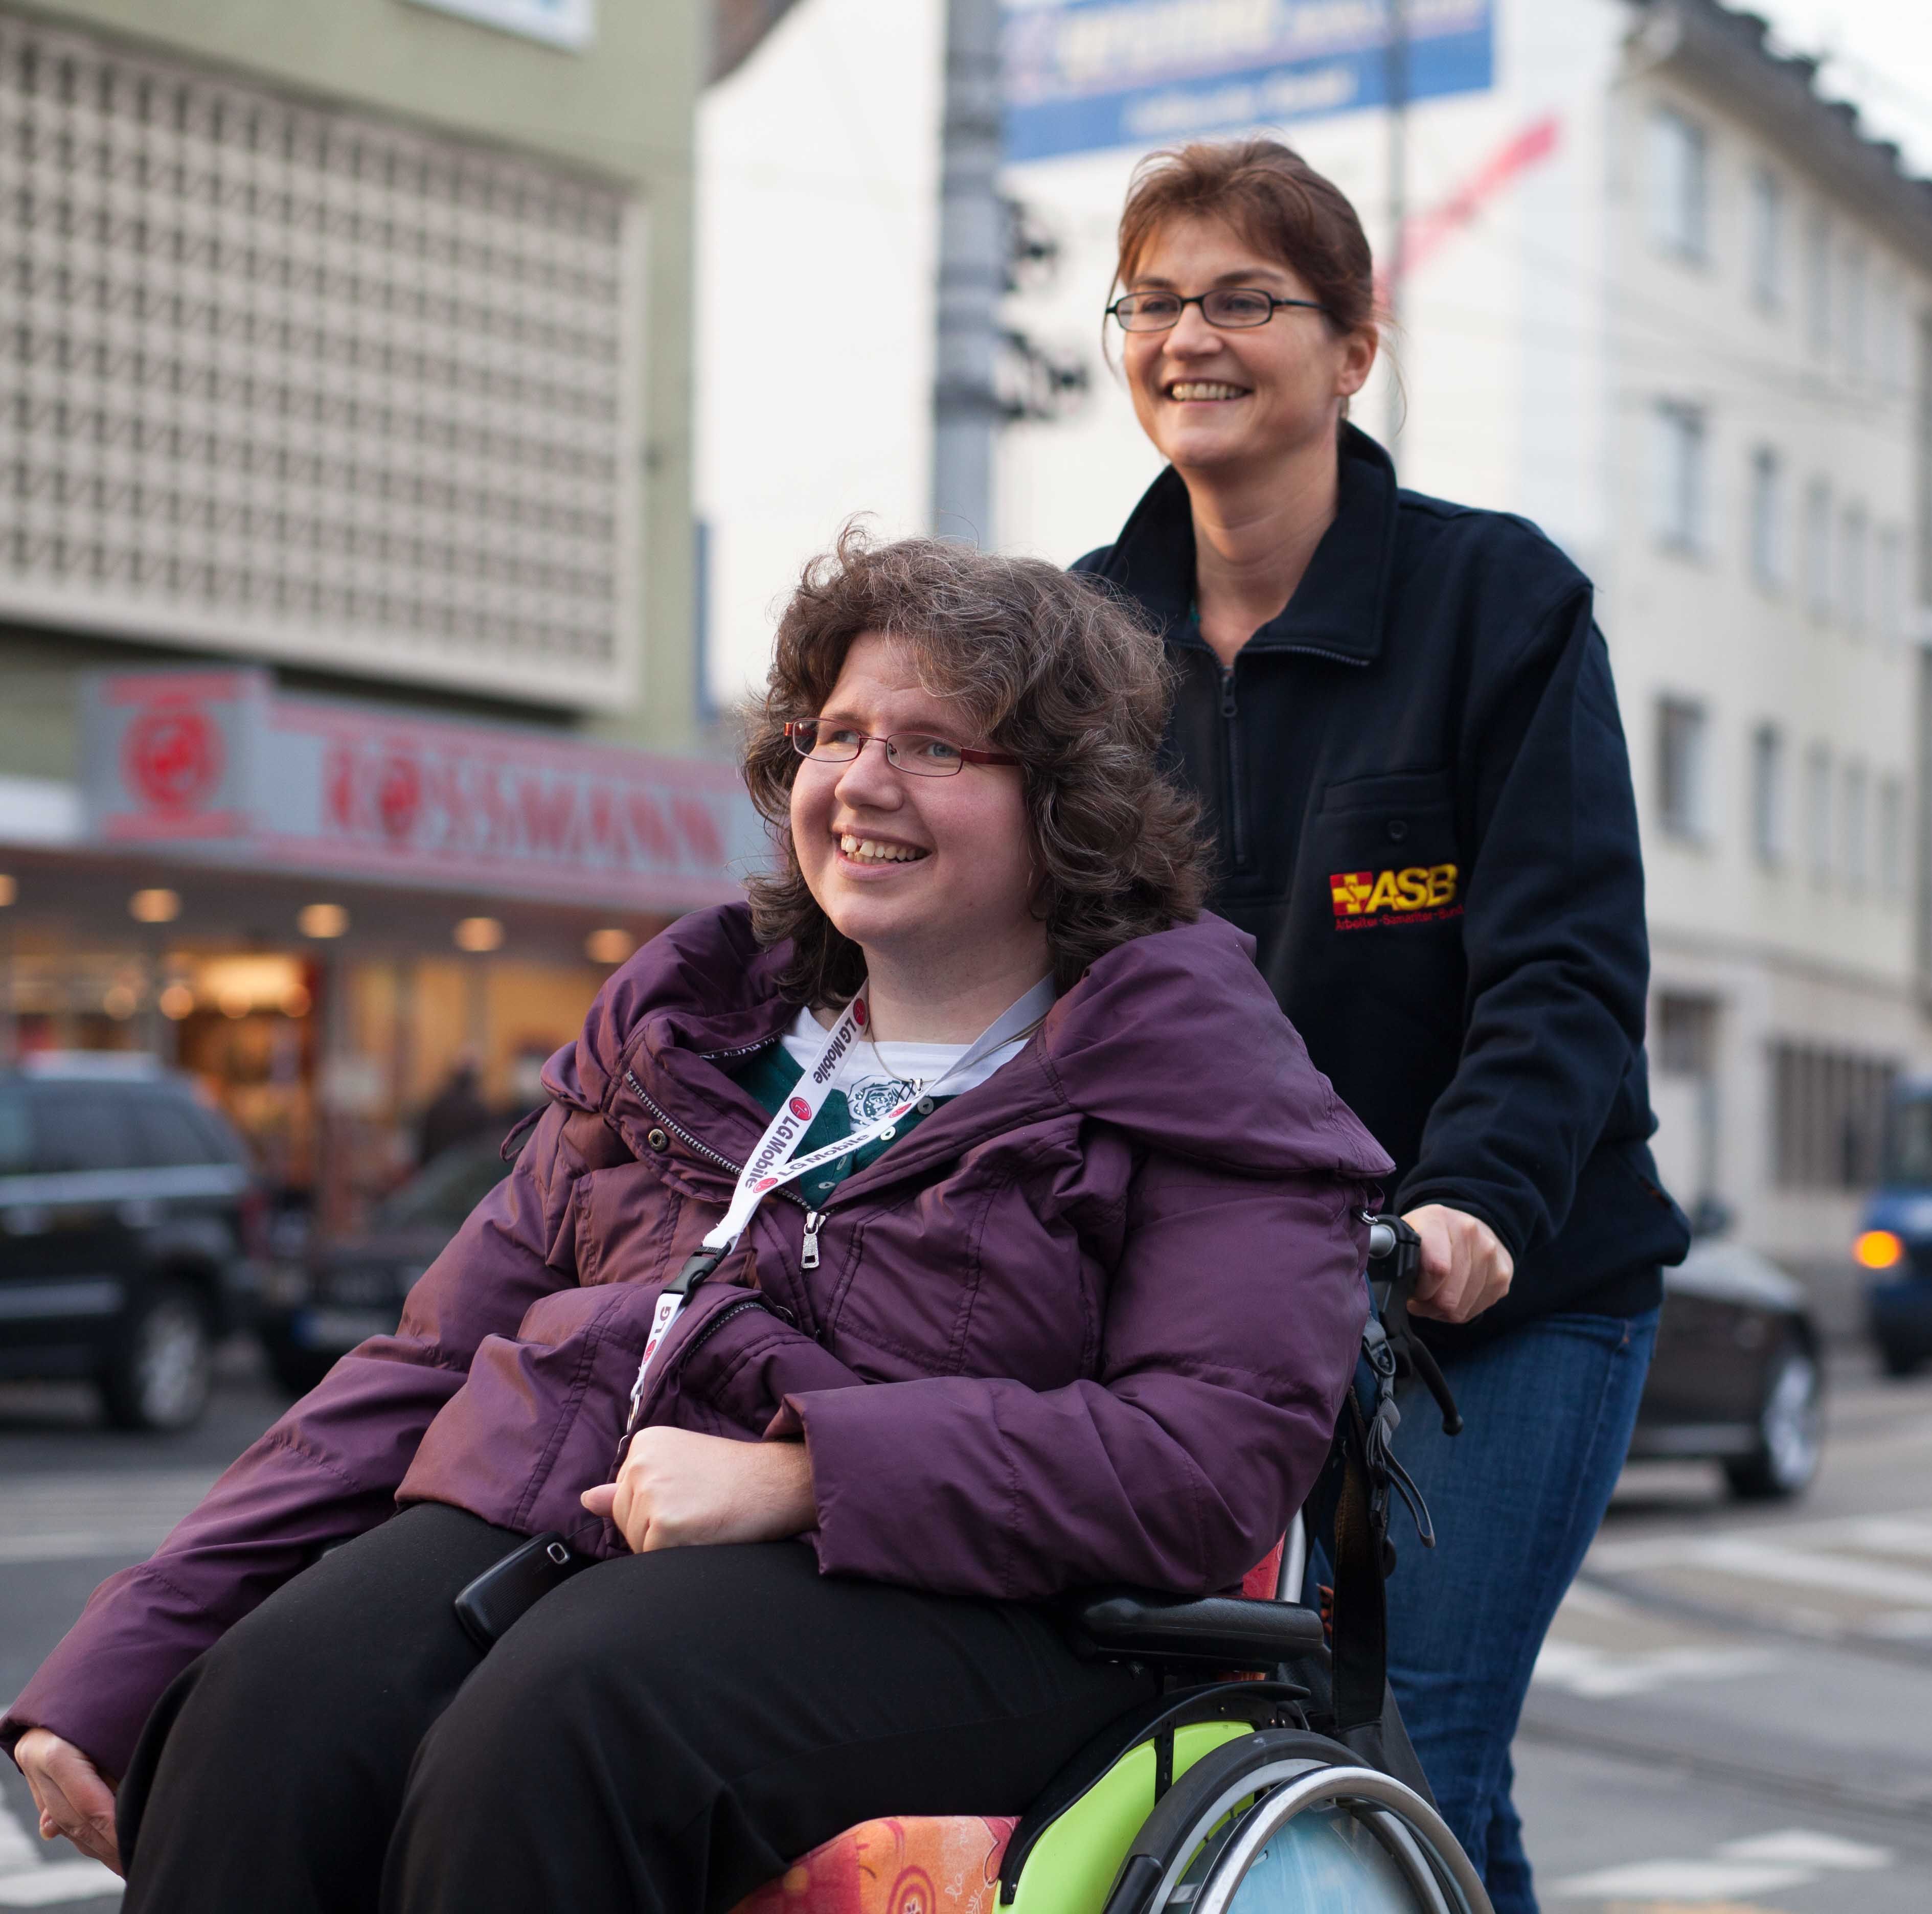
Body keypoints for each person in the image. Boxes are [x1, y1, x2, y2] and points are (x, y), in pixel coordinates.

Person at [4, 537, 1388, 1913]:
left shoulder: (1195, 1069)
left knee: (560, 1732)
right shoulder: (698, 1031)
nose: (861, 785)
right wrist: (131, 1651)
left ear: (1065, 803)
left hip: (1011, 1603)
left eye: (934, 747)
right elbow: (425, 1368)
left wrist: (811, 1479)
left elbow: (1210, 1464)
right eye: (835, 734)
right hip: (605, 1522)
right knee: (268, 1708)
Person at [1077, 139, 1689, 1914]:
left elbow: (1566, 972)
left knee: (1411, 1728)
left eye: (1246, 299)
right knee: (1272, 1757)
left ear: (1353, 349)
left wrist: (1477, 1206)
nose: (1192, 336)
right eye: (1158, 301)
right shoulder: (1075, 647)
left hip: (1500, 1298)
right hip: (1210, 1310)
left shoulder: (1499, 605)